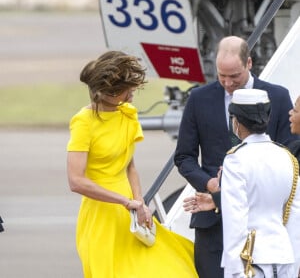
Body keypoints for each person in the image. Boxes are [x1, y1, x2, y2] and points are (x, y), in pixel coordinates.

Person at [174, 35, 298, 278]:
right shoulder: (199, 99)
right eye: (222, 76)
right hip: (212, 221)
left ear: (249, 63)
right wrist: (211, 185)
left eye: (235, 76)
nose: (228, 83)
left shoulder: (278, 96)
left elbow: (290, 153)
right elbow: (184, 157)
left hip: (263, 228)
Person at [66, 50, 198, 278]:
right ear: (111, 92)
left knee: (172, 265)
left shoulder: (127, 114)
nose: (132, 94)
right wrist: (126, 202)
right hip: (102, 214)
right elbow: (76, 181)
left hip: (130, 208)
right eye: (128, 89)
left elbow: (129, 166)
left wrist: (139, 202)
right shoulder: (83, 123)